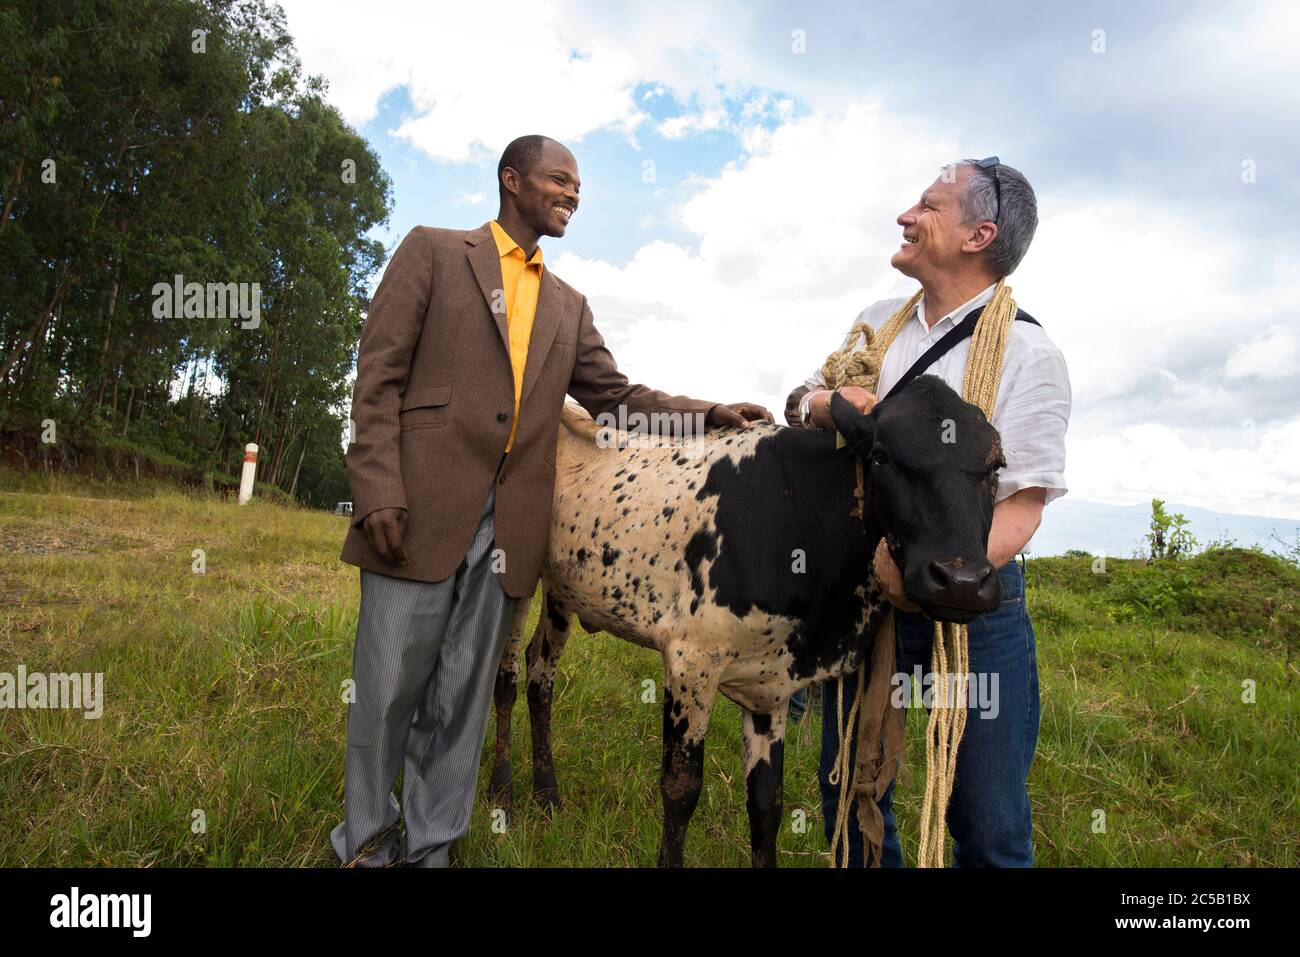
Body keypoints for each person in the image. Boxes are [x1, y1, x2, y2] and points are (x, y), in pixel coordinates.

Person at [333, 134, 772, 866]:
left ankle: (431, 848)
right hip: (416, 511)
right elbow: (377, 375)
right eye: (560, 179)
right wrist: (377, 485)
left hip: (512, 530)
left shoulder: (568, 305)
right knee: (384, 694)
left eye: (578, 186)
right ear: (513, 180)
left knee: (462, 702)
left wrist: (707, 414)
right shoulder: (435, 251)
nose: (574, 194)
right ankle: (368, 846)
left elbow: (616, 398)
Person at [788, 158, 1071, 867]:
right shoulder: (876, 325)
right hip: (862, 592)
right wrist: (827, 405)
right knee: (850, 791)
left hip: (971, 604)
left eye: (927, 206)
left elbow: (1024, 504)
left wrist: (928, 580)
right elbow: (800, 401)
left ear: (979, 234)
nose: (905, 217)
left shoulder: (1028, 353)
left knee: (987, 819)